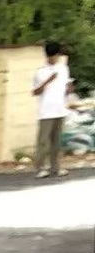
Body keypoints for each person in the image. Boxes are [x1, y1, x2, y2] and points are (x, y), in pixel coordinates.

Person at [33, 41, 75, 178]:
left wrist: (69, 88)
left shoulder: (63, 69)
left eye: (56, 56)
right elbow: (35, 92)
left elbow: (66, 87)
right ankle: (40, 168)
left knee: (56, 142)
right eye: (52, 56)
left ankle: (56, 167)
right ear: (47, 56)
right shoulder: (40, 71)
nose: (54, 58)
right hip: (46, 111)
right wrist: (48, 81)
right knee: (43, 141)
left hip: (60, 109)